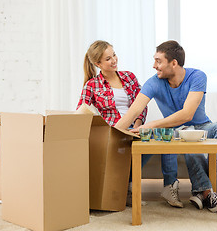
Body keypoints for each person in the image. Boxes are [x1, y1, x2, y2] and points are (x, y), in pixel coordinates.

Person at [115, 40, 217, 212]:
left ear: (174, 63)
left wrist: (152, 124)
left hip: (203, 127)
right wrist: (112, 135)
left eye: (158, 61)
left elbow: (187, 114)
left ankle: (207, 192)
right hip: (179, 132)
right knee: (186, 133)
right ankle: (208, 194)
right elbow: (133, 111)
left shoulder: (197, 76)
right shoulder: (153, 82)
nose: (154, 65)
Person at [77, 40, 181, 207]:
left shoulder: (129, 77)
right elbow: (81, 111)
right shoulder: (92, 85)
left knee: (164, 137)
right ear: (98, 63)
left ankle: (169, 186)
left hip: (135, 129)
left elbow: (142, 104)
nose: (114, 60)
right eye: (108, 59)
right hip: (114, 131)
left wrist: (139, 125)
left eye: (114, 55)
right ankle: (128, 188)